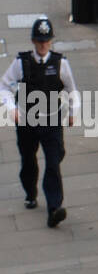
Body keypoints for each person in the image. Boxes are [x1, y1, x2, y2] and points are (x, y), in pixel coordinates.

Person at [0, 17, 78, 228]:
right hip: (27, 120)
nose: (43, 45)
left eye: (46, 41)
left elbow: (71, 90)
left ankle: (54, 208)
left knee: (53, 161)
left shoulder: (61, 64)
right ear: (33, 41)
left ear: (51, 41)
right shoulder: (21, 62)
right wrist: (12, 108)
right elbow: (4, 86)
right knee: (28, 158)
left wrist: (73, 112)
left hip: (51, 120)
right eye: (39, 41)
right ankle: (30, 192)